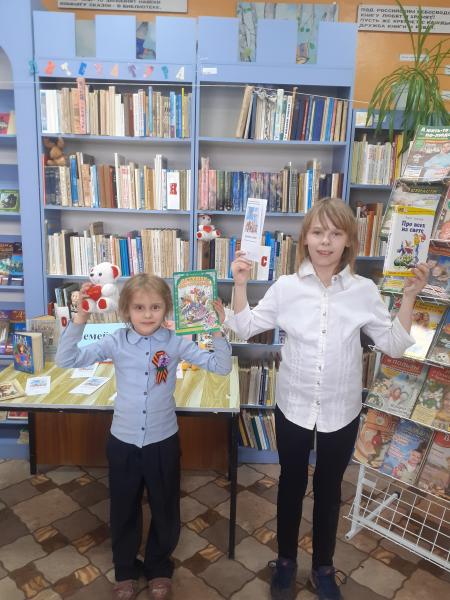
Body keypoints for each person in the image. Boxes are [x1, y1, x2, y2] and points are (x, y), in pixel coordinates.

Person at [224, 197, 428, 600]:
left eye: (336, 234)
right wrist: (241, 283)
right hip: (294, 405)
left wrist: (409, 297)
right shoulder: (286, 287)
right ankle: (286, 562)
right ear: (305, 238)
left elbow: (393, 344)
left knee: (330, 489)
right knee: (291, 483)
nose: (325, 241)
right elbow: (245, 327)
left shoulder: (363, 291)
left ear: (349, 240)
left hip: (341, 408)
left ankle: (323, 566)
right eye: (318, 232)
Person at [55, 273, 232, 600]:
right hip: (123, 441)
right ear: (126, 310)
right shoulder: (115, 341)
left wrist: (216, 328)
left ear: (167, 308)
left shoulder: (175, 341)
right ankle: (125, 569)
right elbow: (66, 359)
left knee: (165, 507)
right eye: (139, 307)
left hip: (162, 441)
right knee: (123, 507)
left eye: (155, 307)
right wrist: (80, 318)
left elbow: (221, 367)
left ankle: (159, 566)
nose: (148, 314)